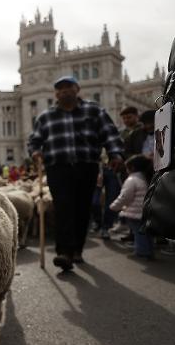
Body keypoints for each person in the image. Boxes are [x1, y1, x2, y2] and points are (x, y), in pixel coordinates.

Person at [28, 75, 124, 270]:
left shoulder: (94, 111)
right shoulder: (46, 117)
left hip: (86, 165)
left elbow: (110, 133)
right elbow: (34, 140)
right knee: (63, 208)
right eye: (59, 89)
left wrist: (115, 153)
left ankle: (77, 249)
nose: (63, 91)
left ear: (77, 89)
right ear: (55, 93)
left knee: (82, 208)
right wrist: (35, 152)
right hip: (58, 167)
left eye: (67, 87)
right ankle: (64, 252)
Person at [109, 155, 155, 260]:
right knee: (146, 234)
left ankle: (142, 252)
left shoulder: (131, 180)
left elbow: (125, 197)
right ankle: (149, 251)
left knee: (138, 234)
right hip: (146, 212)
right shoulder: (146, 178)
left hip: (135, 213)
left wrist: (114, 206)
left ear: (132, 168)